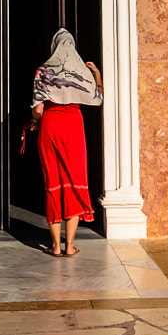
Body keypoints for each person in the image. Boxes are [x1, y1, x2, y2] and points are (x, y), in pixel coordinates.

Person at [28, 28, 103, 256]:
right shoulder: (82, 71)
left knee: (54, 184)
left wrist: (35, 121)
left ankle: (55, 246)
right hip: (74, 128)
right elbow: (98, 100)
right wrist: (97, 75)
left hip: (51, 127)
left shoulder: (43, 71)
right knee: (73, 181)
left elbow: (38, 110)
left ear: (54, 47)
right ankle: (70, 246)